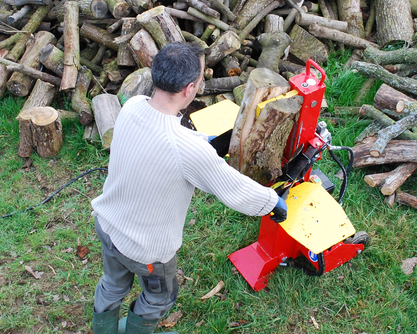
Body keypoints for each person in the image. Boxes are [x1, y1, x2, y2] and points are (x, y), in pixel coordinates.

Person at [91, 42, 288, 334]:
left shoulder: (132, 106)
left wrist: (199, 142)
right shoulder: (185, 150)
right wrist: (271, 202)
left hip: (107, 224)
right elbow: (232, 188)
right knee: (160, 297)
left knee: (113, 283)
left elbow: (163, 135)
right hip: (145, 250)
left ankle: (104, 330)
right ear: (189, 88)